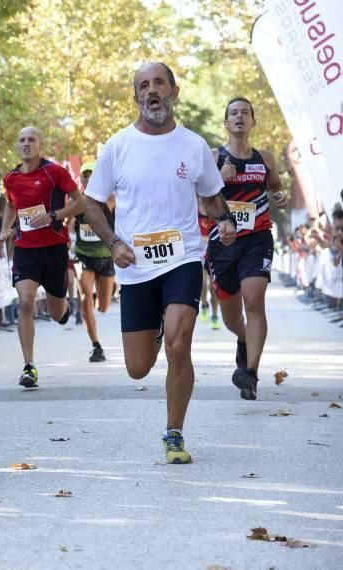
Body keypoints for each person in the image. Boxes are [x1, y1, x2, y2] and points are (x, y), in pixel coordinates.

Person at [84, 62, 236, 464]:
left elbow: (211, 196)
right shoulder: (117, 146)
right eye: (144, 86)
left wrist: (225, 220)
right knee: (137, 368)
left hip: (182, 257)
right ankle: (154, 331)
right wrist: (114, 242)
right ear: (136, 96)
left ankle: (174, 433)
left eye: (159, 84)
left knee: (180, 342)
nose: (152, 91)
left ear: (174, 91)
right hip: (134, 264)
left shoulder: (193, 145)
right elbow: (92, 203)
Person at [207, 97, 287, 401]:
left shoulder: (265, 159)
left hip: (257, 238)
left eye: (245, 113)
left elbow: (276, 186)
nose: (239, 117)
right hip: (222, 243)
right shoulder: (213, 158)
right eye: (233, 113)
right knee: (231, 317)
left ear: (253, 121)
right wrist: (218, 178)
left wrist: (278, 196)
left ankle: (250, 373)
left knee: (253, 301)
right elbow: (196, 198)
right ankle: (243, 338)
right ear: (226, 123)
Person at [0, 126, 83, 388]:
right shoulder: (10, 177)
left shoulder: (54, 172)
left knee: (57, 314)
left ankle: (64, 306)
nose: (26, 144)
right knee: (25, 301)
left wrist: (53, 215)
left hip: (54, 248)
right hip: (26, 250)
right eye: (21, 140)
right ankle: (29, 365)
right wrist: (3, 231)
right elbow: (11, 205)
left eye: (31, 139)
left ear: (39, 144)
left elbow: (80, 203)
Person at [74, 162, 116, 362]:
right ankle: (96, 345)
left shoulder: (110, 200)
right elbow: (65, 222)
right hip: (84, 255)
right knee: (85, 299)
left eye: (92, 174)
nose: (89, 178)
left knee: (103, 306)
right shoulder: (77, 202)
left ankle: (110, 286)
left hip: (106, 257)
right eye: (85, 175)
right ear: (80, 179)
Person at [197, 204, 220, 329]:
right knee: (203, 283)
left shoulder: (215, 208)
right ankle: (204, 303)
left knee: (213, 287)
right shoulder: (194, 210)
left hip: (213, 252)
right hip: (200, 253)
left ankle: (215, 315)